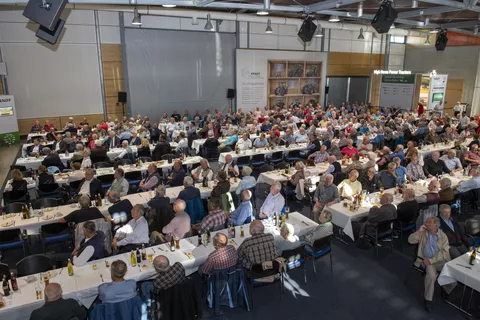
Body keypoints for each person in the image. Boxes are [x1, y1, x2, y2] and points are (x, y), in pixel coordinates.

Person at [408, 217, 455, 313]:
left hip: (439, 260)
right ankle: (428, 300)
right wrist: (418, 231)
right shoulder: (422, 233)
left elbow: (444, 253)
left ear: (436, 225)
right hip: (425, 260)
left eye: (429, 222)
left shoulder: (443, 236)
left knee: (452, 271)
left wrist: (432, 260)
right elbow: (410, 240)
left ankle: (447, 289)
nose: (426, 223)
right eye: (426, 221)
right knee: (431, 275)